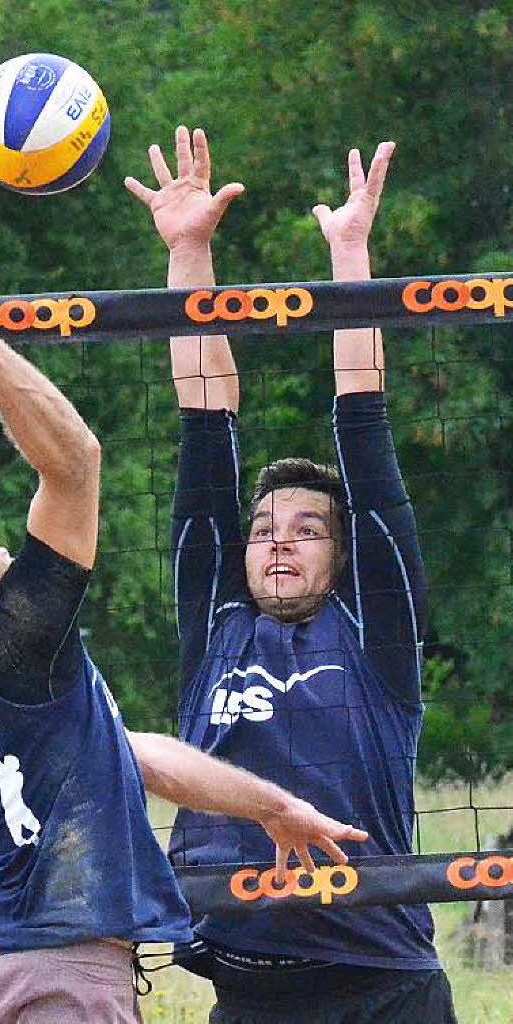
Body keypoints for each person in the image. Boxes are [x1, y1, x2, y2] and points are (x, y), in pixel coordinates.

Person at [0, 243, 367, 1024]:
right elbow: (75, 462)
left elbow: (135, 753)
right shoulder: (10, 644)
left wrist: (272, 808)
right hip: (57, 982)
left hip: (10, 970)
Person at [126, 128, 458, 1022]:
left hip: (382, 986)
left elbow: (365, 433)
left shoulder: (373, 633)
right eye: (265, 530)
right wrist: (189, 252)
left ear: (342, 558)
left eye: (308, 530)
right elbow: (205, 429)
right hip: (247, 984)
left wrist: (350, 257)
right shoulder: (218, 631)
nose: (278, 542)